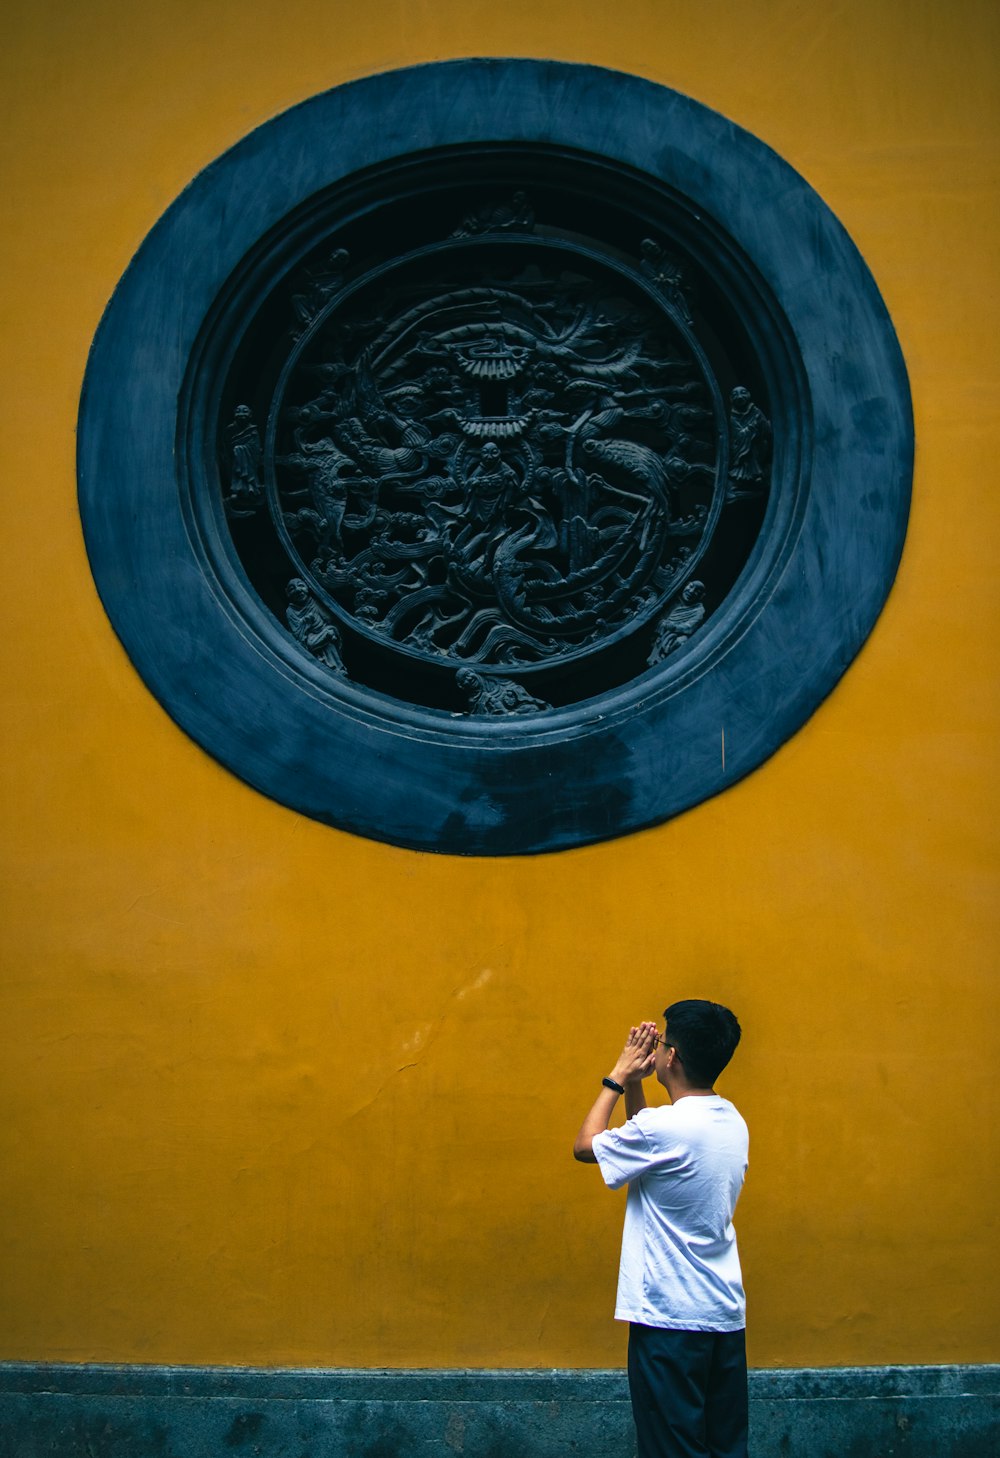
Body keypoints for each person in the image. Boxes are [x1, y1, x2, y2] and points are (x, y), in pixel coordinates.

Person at [573, 1001, 748, 1458]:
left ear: (671, 1058)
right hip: (721, 1316)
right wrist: (637, 1085)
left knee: (670, 1449)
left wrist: (616, 1076)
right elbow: (647, 1137)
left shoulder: (665, 1130)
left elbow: (586, 1146)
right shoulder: (730, 1120)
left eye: (663, 1043)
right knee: (724, 1446)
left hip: (670, 1320)